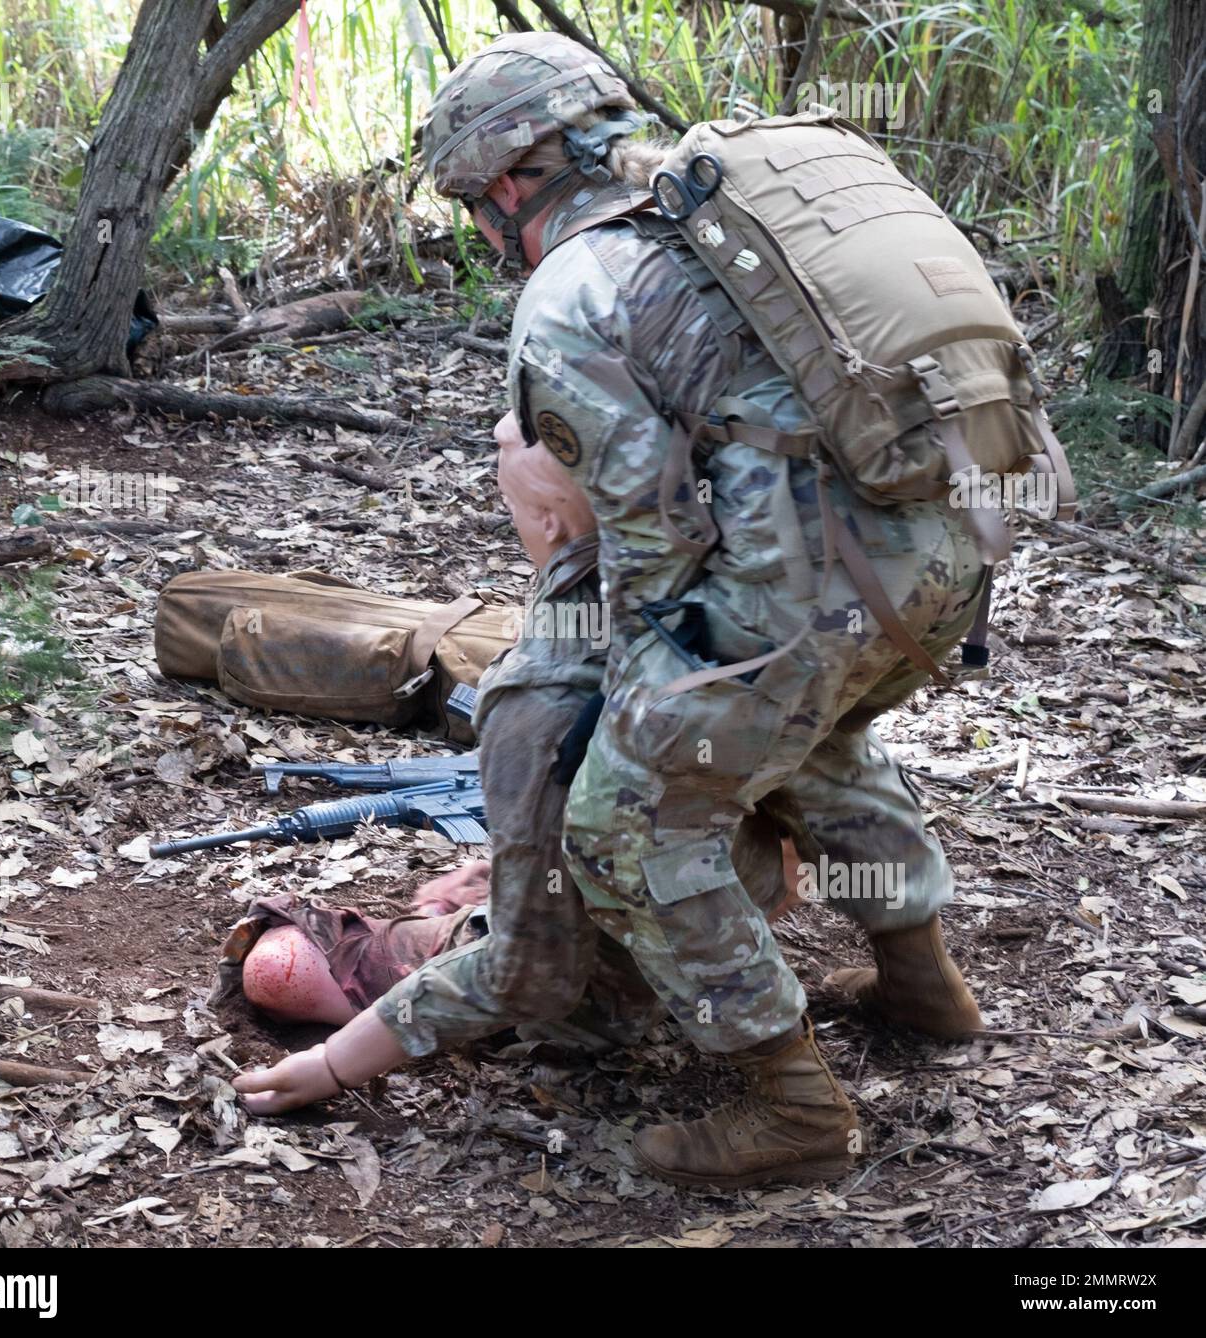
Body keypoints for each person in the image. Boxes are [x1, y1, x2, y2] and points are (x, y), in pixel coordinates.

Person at [410, 32, 986, 1190]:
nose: (485, 231)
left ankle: (791, 1108)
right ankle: (923, 985)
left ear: (511, 183)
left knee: (626, 821)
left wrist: (625, 712)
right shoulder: (735, 216)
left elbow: (648, 536)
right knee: (816, 738)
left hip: (816, 592)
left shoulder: (576, 283)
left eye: (477, 207)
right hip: (952, 558)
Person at [231, 412, 802, 1109]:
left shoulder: (541, 693)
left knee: (277, 961)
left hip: (598, 990)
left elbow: (533, 973)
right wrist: (524, 865)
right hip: (729, 931)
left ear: (552, 522)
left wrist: (334, 1066)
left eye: (511, 505)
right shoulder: (752, 606)